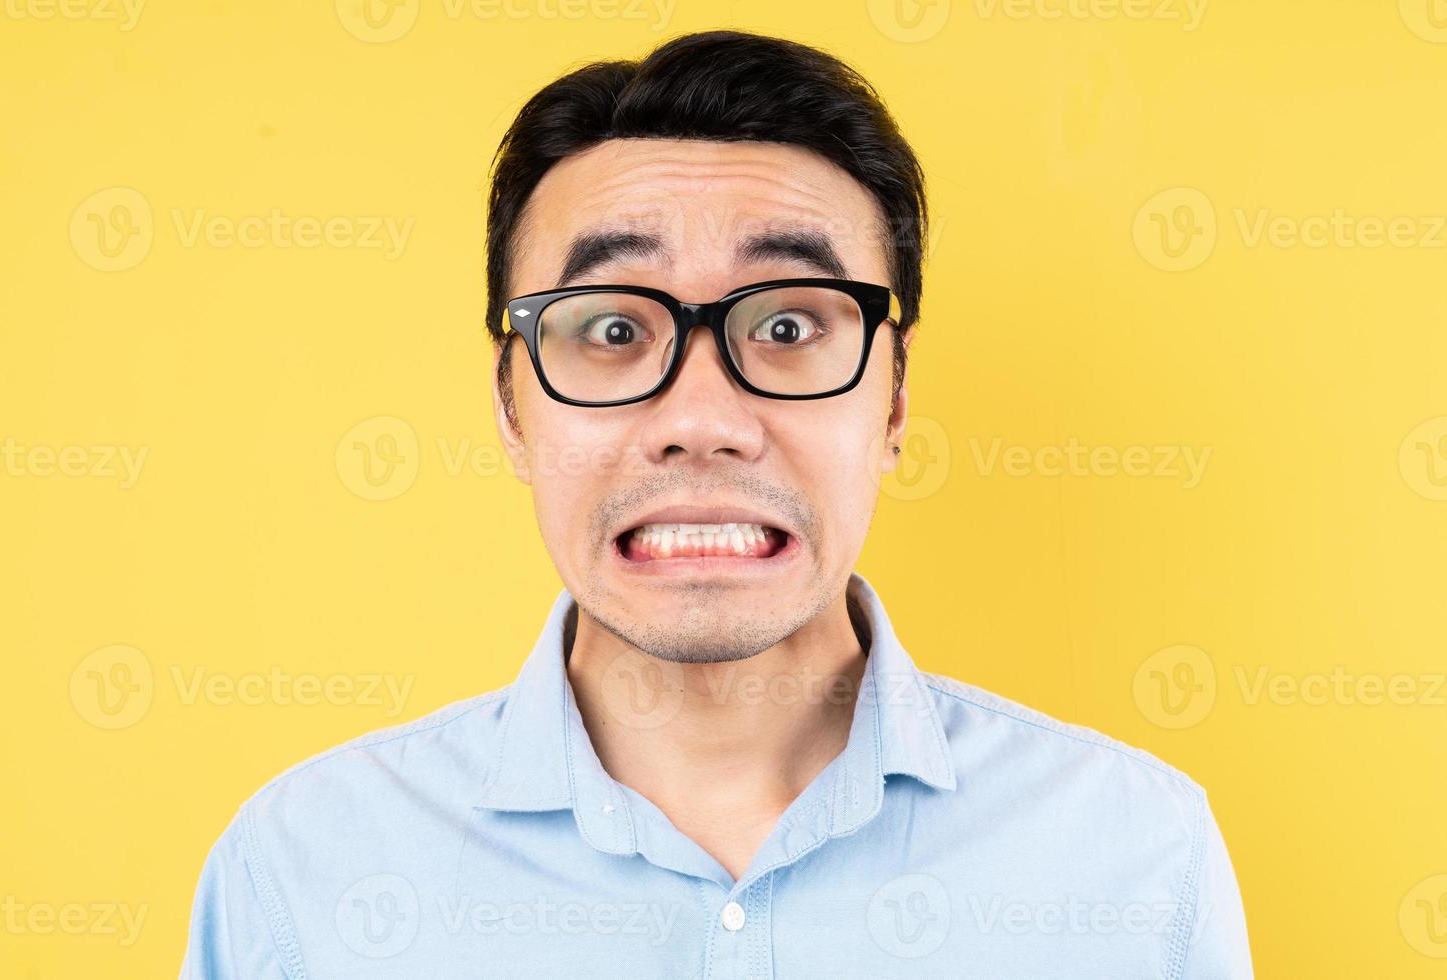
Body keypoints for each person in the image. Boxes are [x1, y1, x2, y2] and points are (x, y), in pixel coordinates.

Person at [181, 30, 1251, 978]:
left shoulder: (1134, 857)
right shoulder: (303, 876)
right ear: (513, 405)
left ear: (894, 399)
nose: (702, 416)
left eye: (789, 326)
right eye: (611, 329)